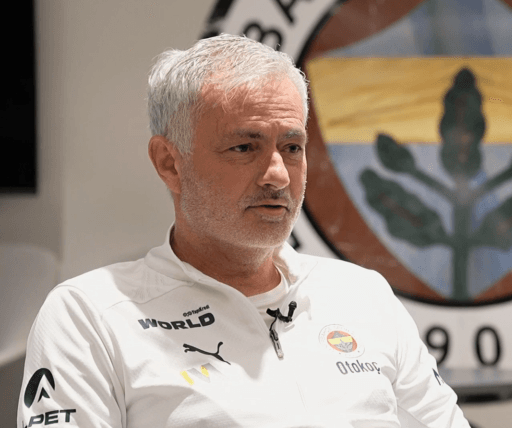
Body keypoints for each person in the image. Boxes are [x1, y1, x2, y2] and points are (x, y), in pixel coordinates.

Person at [17, 34, 470, 427]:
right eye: (243, 147)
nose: (278, 174)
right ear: (169, 163)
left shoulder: (363, 296)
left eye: (292, 147)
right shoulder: (90, 316)